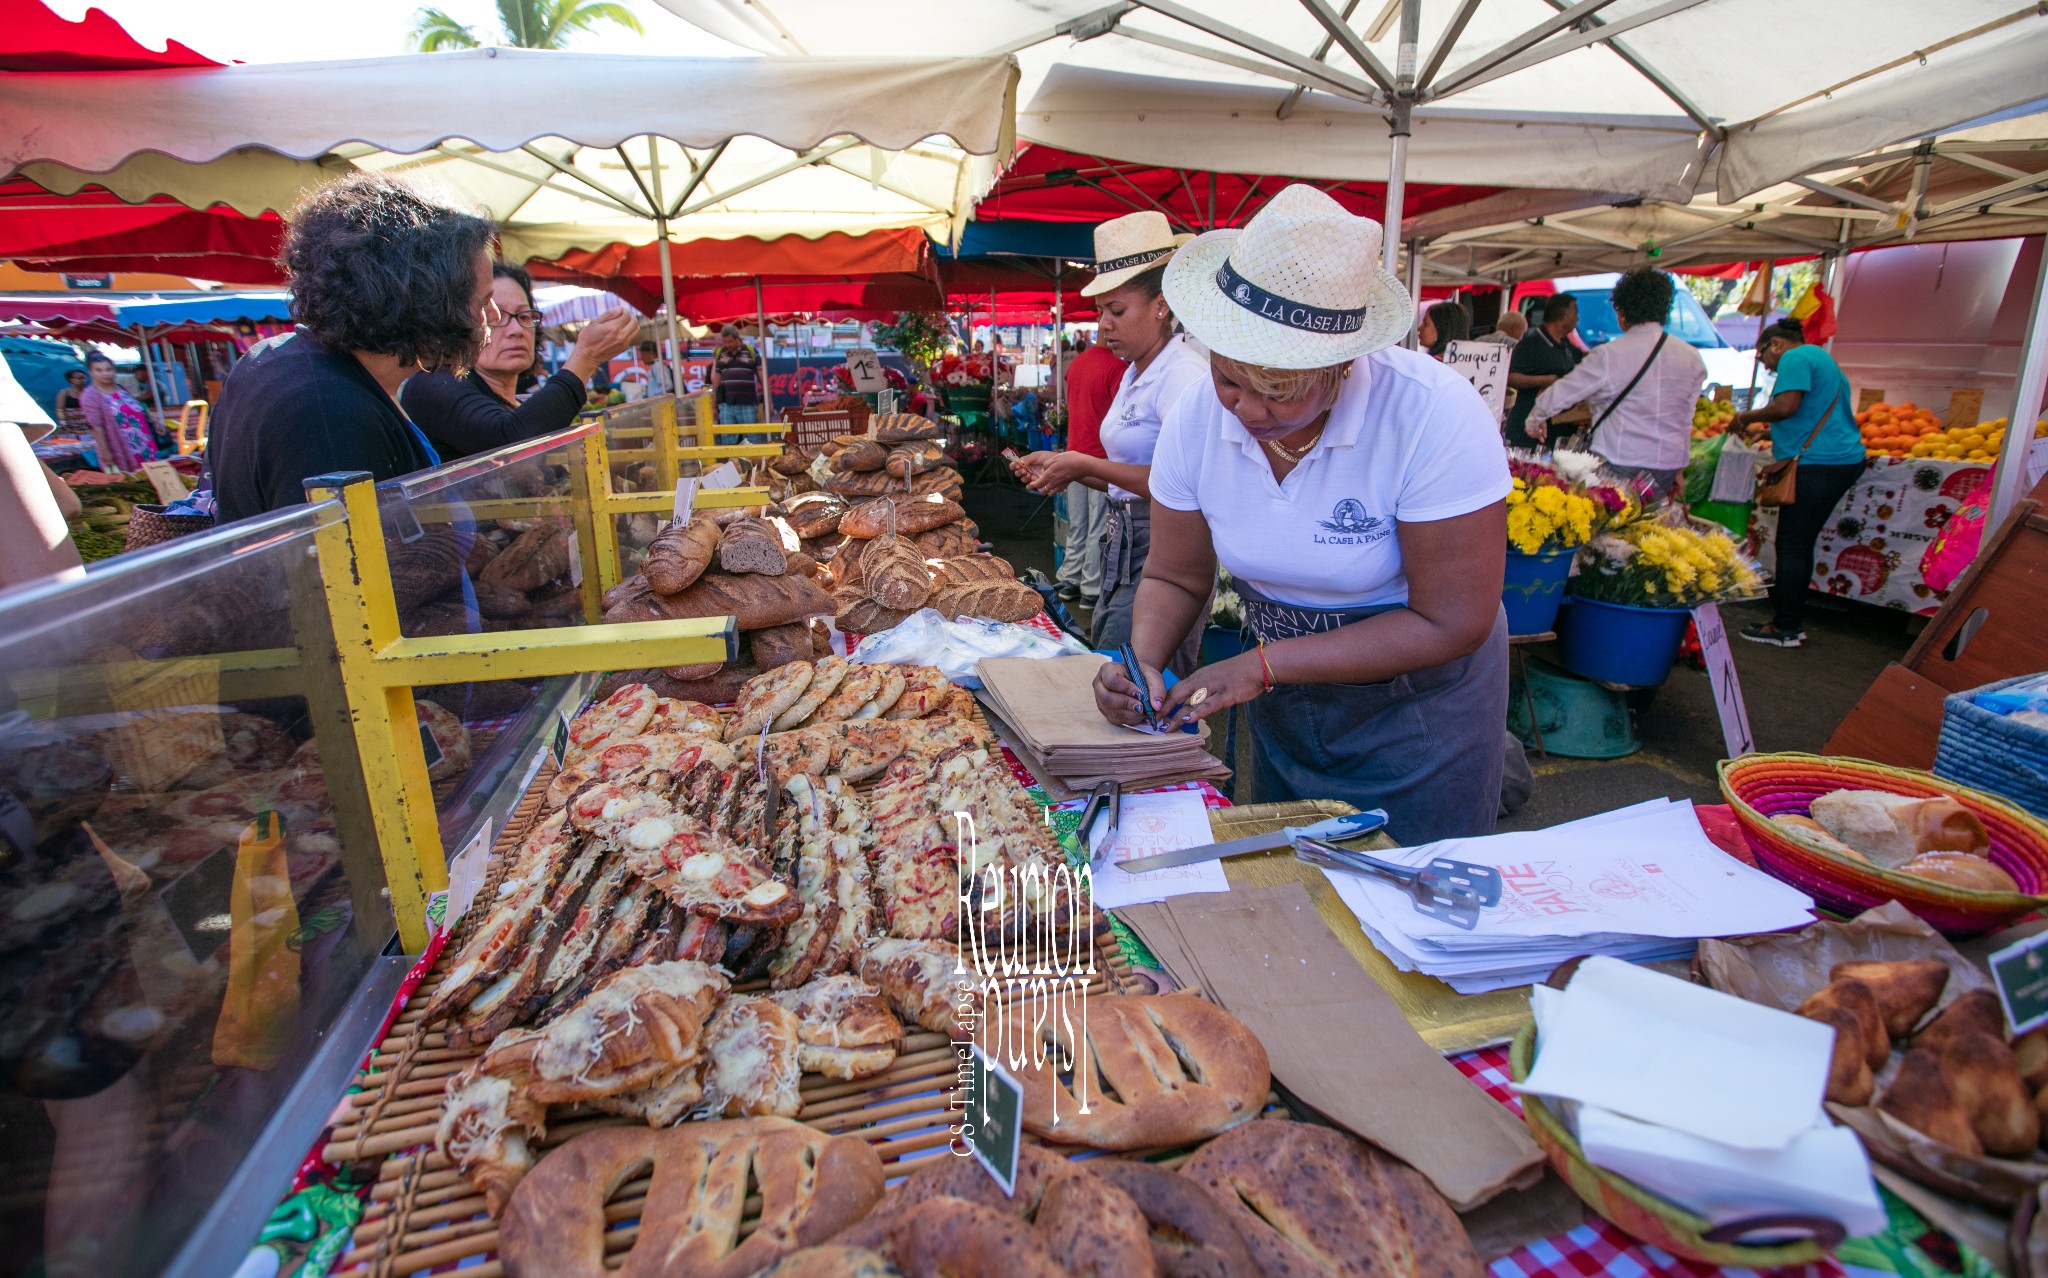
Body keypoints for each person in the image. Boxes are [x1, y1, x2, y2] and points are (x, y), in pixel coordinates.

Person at [1092, 184, 1513, 846]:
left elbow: (1451, 619)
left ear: (1342, 365)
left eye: (1282, 392)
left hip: (1422, 711)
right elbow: (1176, 576)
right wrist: (1141, 658)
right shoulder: (1197, 419)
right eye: (1232, 381)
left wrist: (1263, 665)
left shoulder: (1431, 413)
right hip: (1288, 699)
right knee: (1296, 880)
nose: (1251, 411)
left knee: (1409, 894)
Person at [206, 172, 496, 524]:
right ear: (426, 300)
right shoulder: (328, 413)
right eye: (483, 301)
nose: (491, 316)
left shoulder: (278, 361)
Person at [1011, 210, 1208, 664]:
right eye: (1101, 312)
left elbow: (1182, 486)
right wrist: (1067, 466)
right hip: (1123, 537)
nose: (1104, 325)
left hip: (1166, 546)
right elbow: (1125, 476)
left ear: (1161, 304)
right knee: (1114, 666)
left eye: (1117, 311)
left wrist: (1083, 464)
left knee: (1133, 678)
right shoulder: (1135, 373)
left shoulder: (1182, 375)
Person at [402, 263, 638, 460]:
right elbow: (511, 441)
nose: (516, 329)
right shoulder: (432, 385)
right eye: (496, 317)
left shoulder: (516, 403)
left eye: (524, 316)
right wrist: (586, 356)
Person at [1730, 316, 1865, 648]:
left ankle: (1786, 627)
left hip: (1820, 464)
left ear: (1775, 345)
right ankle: (1789, 621)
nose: (1767, 366)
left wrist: (1745, 417)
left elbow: (1786, 406)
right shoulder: (1820, 357)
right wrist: (1766, 431)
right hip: (1838, 460)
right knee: (1799, 544)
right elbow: (1810, 411)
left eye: (1763, 357)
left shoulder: (1795, 357)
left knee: (1792, 546)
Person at [1526, 270, 1703, 495]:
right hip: (1665, 465)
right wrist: (1679, 467)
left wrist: (1535, 420)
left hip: (1619, 459)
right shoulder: (1692, 358)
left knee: (1610, 525)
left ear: (1622, 311)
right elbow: (1685, 419)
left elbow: (1564, 391)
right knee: (1650, 527)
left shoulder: (1610, 355)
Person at [1053, 331, 1128, 606]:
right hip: (1100, 457)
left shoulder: (1077, 364)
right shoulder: (1116, 367)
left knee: (1078, 522)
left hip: (1074, 450)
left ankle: (1070, 578)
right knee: (1099, 525)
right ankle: (1091, 588)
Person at [1504, 294, 1581, 449]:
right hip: (1529, 430)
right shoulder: (1531, 345)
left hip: (1558, 429)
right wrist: (1548, 380)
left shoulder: (1565, 345)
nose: (1577, 319)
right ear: (1564, 318)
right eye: (1575, 313)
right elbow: (1511, 377)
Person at [78, 352, 156, 473]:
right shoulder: (90, 395)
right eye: (99, 370)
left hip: (145, 444)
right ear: (91, 372)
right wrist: (105, 453)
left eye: (109, 369)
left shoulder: (121, 388)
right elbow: (96, 427)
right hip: (121, 447)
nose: (105, 374)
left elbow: (137, 409)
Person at [709, 324, 762, 427]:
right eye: (725, 342)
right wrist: (714, 406)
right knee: (728, 440)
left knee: (753, 438)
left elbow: (762, 378)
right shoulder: (721, 353)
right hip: (726, 405)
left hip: (748, 405)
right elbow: (716, 380)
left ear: (737, 338)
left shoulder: (751, 352)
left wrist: (769, 403)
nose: (727, 345)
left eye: (730, 342)